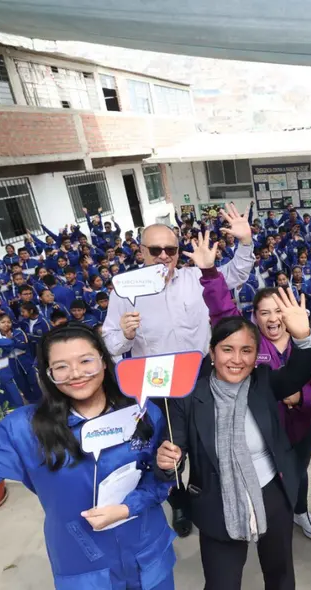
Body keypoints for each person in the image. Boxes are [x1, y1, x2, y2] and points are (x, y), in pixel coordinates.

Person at [0, 325, 176, 589]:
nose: (76, 373)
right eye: (61, 367)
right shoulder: (24, 429)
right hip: (84, 562)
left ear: (104, 361)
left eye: (85, 360)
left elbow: (160, 480)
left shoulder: (141, 412)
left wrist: (133, 504)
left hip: (148, 553)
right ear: (48, 374)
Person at [103, 204, 254, 538]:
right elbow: (109, 343)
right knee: (168, 447)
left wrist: (244, 242)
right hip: (154, 379)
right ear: (141, 252)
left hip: (198, 372)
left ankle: (205, 493)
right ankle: (176, 497)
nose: (163, 256)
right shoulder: (124, 291)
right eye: (154, 250)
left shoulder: (195, 277)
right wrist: (125, 335)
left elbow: (236, 275)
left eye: (170, 249)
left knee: (206, 438)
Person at [154, 289, 311, 590]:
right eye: (228, 349)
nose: (237, 360)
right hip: (217, 499)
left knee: (280, 576)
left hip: (272, 492)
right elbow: (173, 454)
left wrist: (303, 336)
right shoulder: (189, 397)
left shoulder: (264, 382)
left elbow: (299, 372)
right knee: (221, 583)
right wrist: (167, 462)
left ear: (256, 356)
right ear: (213, 352)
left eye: (247, 351)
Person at [198, 229, 311, 540]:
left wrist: (300, 398)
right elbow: (221, 311)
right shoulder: (250, 344)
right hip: (256, 430)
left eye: (279, 312)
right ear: (254, 317)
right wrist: (209, 272)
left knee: (296, 476)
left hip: (297, 431)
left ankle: (299, 511)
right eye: (264, 312)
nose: (273, 319)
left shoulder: (310, 347)